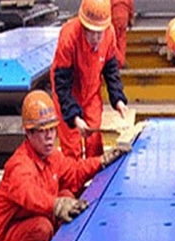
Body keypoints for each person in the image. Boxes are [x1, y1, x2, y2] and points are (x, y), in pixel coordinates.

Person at [0, 90, 126, 241]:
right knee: (42, 226)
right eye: (43, 131)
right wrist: (56, 204)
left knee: (66, 193)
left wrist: (101, 161)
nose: (50, 136)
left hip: (28, 227)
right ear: (29, 133)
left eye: (52, 129)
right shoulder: (19, 165)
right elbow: (30, 195)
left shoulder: (51, 156)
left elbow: (74, 171)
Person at [51, 0, 128, 159]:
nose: (95, 37)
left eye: (99, 32)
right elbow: (62, 85)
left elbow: (111, 70)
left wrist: (118, 99)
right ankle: (73, 182)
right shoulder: (68, 37)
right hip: (69, 94)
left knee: (94, 140)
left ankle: (97, 181)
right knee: (72, 147)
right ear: (82, 25)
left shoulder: (109, 34)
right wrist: (74, 117)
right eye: (91, 32)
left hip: (91, 93)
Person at [111, 0, 135, 68]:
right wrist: (131, 18)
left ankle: (120, 61)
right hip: (124, 18)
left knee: (112, 42)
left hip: (113, 17)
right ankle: (121, 61)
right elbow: (131, 5)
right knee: (121, 41)